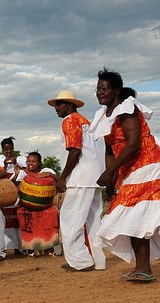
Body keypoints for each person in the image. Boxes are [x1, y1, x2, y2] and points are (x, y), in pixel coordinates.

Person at [89, 67, 160, 282]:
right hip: (131, 168)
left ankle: (144, 268)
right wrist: (112, 179)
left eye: (104, 88)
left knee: (134, 216)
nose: (99, 92)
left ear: (116, 90)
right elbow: (110, 149)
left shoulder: (127, 109)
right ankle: (143, 268)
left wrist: (109, 171)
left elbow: (134, 144)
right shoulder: (103, 116)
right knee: (134, 217)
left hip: (149, 163)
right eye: (97, 89)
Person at [48, 90, 106, 271]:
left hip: (81, 177)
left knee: (70, 217)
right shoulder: (86, 122)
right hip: (94, 177)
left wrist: (62, 178)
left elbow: (74, 150)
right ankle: (98, 261)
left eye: (60, 104)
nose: (56, 108)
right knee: (93, 221)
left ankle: (80, 262)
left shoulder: (70, 120)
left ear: (70, 105)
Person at [13, 152, 62, 258]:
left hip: (46, 205)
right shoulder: (22, 174)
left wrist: (51, 175)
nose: (31, 163)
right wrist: (17, 177)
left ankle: (50, 247)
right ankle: (31, 247)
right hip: (26, 205)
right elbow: (15, 189)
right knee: (23, 213)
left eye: (34, 161)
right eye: (29, 161)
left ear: (39, 163)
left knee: (51, 213)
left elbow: (60, 181)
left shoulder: (46, 171)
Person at [0, 136, 26, 253]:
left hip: (17, 193)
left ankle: (18, 247)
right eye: (6, 149)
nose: (8, 152)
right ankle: (3, 247)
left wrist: (17, 165)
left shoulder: (21, 160)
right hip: (3, 195)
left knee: (17, 221)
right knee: (3, 221)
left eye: (10, 149)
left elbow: (28, 171)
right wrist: (4, 167)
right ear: (2, 149)